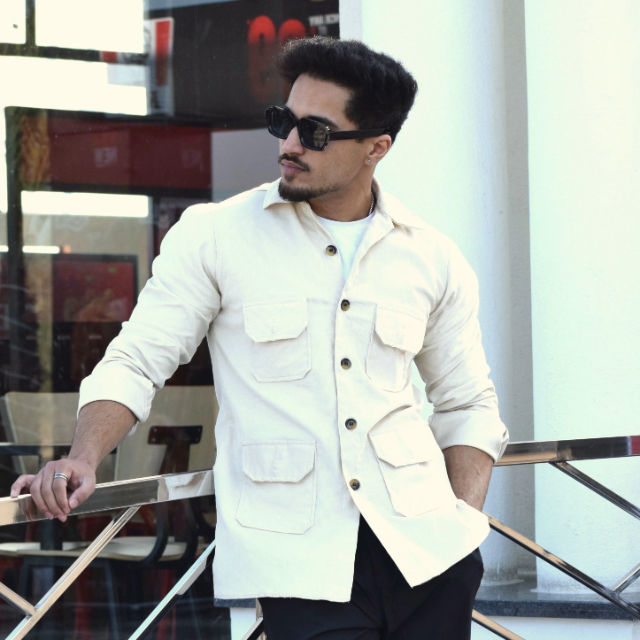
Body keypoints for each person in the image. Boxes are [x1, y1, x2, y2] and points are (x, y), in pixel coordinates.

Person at [11, 37, 508, 639]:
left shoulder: (431, 255)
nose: (289, 144)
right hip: (300, 564)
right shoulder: (217, 235)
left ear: (377, 147)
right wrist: (83, 455)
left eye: (315, 132)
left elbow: (467, 402)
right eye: (283, 121)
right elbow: (138, 359)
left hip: (428, 556)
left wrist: (459, 521)